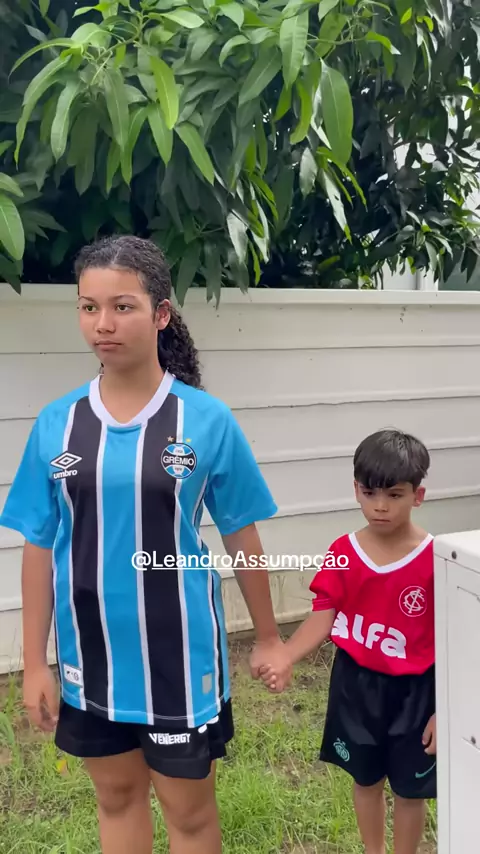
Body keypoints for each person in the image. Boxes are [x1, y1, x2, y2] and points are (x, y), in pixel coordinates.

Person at [0, 234, 291, 854]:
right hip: (89, 658)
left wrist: (269, 637)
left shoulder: (206, 420)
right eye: (88, 307)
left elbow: (241, 532)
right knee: (116, 799)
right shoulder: (57, 423)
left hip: (178, 660)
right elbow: (37, 545)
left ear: (161, 314)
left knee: (189, 815)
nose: (102, 324)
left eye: (122, 306)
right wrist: (36, 663)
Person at [260, 429, 436, 854]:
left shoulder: (435, 559)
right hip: (355, 686)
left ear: (418, 496)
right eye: (370, 493)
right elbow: (323, 618)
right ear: (356, 490)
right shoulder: (344, 551)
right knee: (365, 780)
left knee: (409, 792)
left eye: (394, 494)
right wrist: (285, 655)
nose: (380, 505)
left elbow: (456, 641)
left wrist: (444, 708)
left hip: (416, 693)